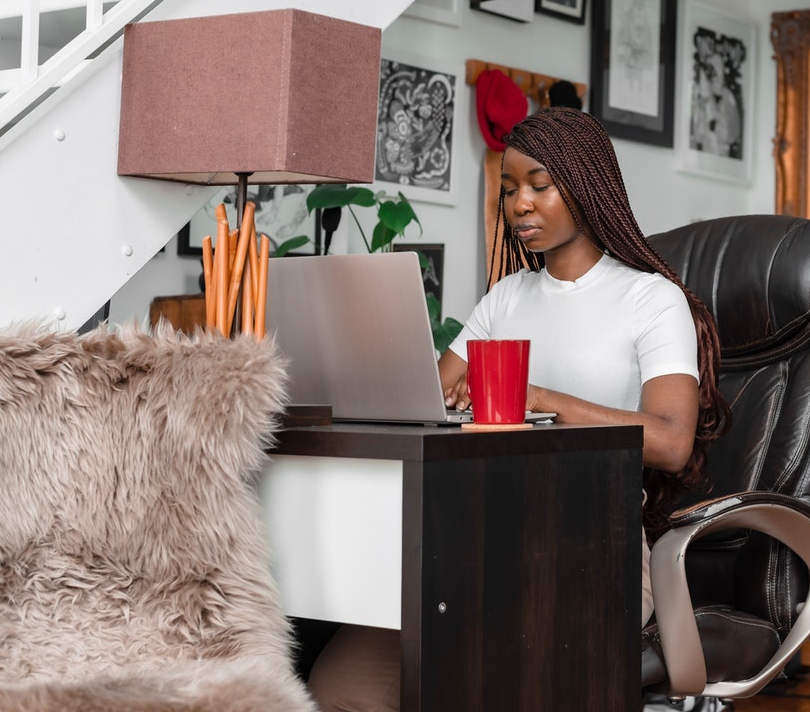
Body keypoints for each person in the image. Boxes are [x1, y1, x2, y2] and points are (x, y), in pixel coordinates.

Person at [307, 107, 730, 711]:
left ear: (587, 185)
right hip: (472, 533)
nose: (520, 204)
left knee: (473, 674)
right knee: (338, 690)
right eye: (509, 189)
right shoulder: (505, 298)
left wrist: (539, 399)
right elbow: (427, 402)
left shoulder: (649, 299)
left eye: (539, 185)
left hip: (592, 543)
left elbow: (669, 441)